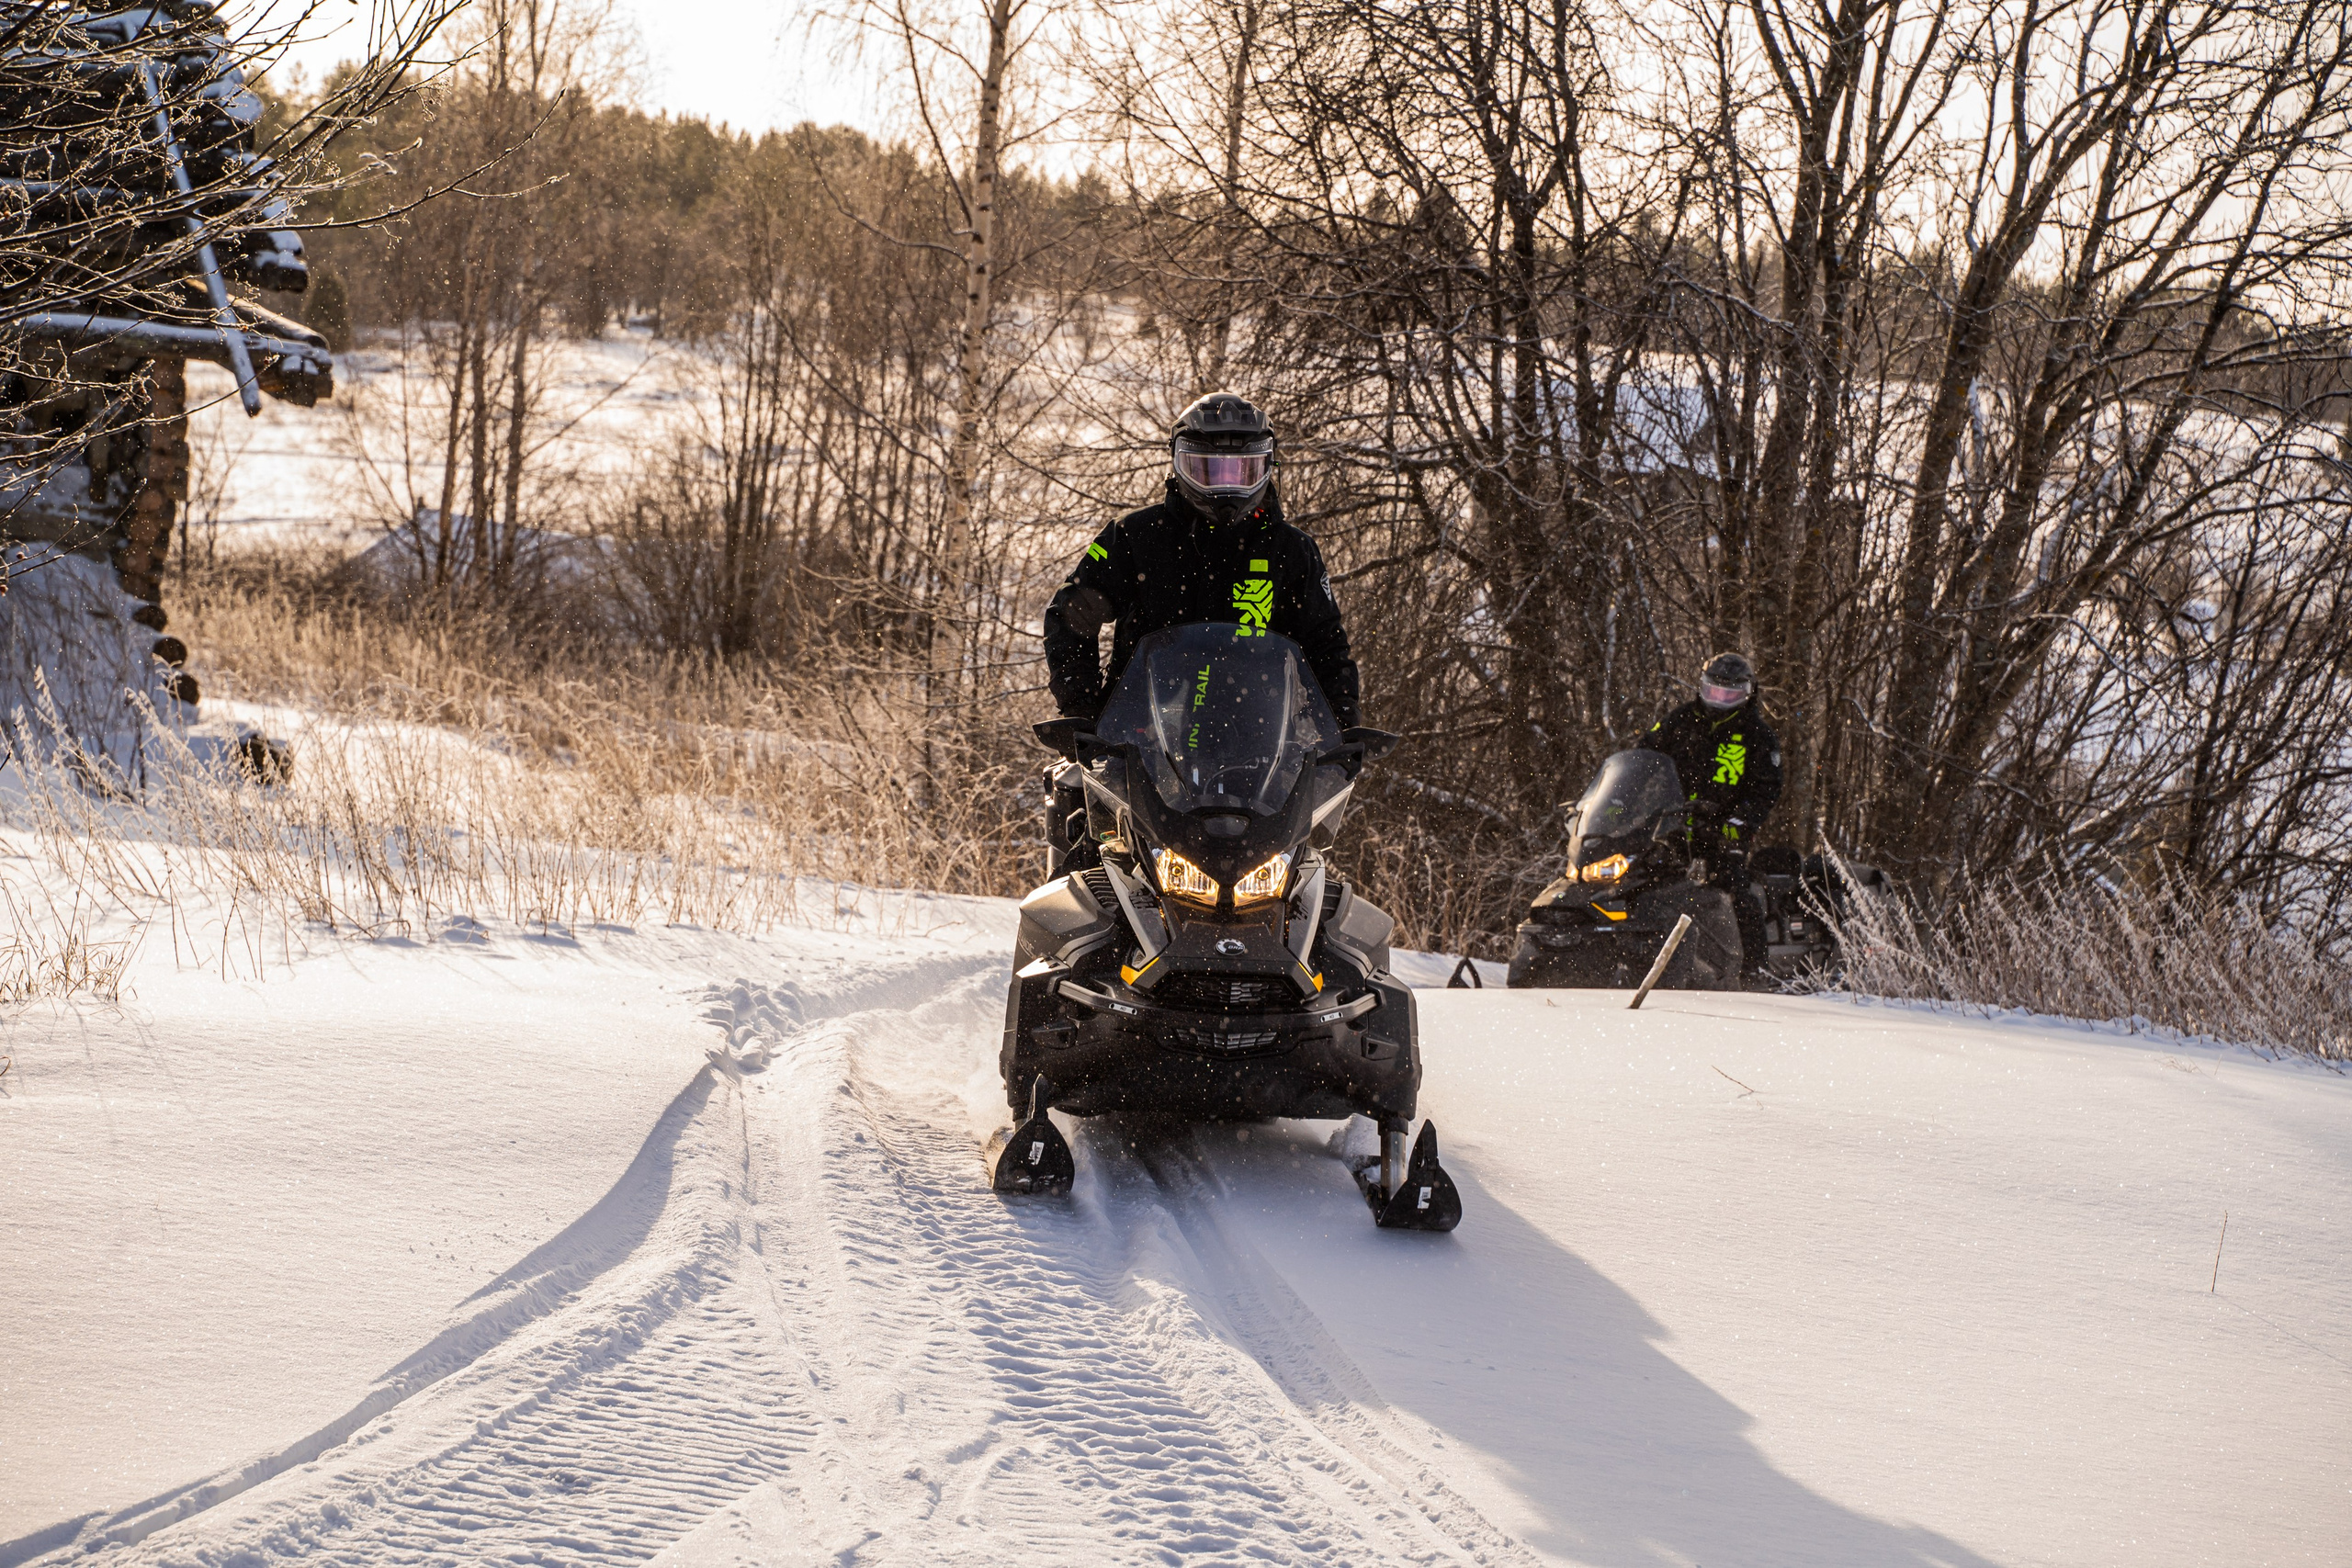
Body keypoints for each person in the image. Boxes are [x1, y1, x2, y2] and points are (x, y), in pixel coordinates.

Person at [1037, 390, 1362, 874]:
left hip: (1262, 751)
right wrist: (1082, 709)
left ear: (1267, 467)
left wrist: (1342, 727)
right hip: (1141, 742)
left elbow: (1327, 645)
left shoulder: (1293, 553)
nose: (1225, 485)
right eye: (1208, 469)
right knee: (1092, 862)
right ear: (1179, 465)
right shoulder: (1135, 537)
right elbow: (1071, 614)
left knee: (1306, 875)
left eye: (1242, 470)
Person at [1636, 651, 1783, 976]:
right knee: (1642, 880)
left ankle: (1754, 969)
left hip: (1723, 831)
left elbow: (1767, 788)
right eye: (1714, 691)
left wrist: (1738, 821)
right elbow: (1644, 755)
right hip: (1673, 825)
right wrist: (1624, 800)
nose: (1719, 700)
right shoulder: (1680, 721)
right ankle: (1637, 952)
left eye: (1729, 694)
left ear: (1747, 694)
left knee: (1734, 889)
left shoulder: (1757, 736)